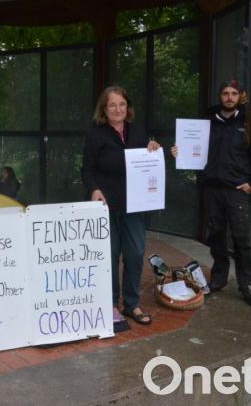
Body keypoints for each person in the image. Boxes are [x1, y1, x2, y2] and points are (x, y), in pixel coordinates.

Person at [171, 79, 251, 307]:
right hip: (212, 188)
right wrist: (180, 152)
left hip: (237, 191)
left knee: (241, 239)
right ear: (220, 96)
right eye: (225, 93)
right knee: (216, 237)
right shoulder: (207, 122)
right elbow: (193, 152)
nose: (229, 97)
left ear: (240, 96)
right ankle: (218, 279)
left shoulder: (249, 122)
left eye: (233, 93)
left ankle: (248, 286)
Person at [82, 85, 161, 326]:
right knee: (110, 255)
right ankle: (111, 305)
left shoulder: (138, 132)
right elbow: (87, 169)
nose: (118, 109)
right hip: (106, 205)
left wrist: (153, 148)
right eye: (112, 105)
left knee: (135, 253)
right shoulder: (96, 133)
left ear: (128, 107)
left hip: (135, 205)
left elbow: (150, 160)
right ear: (104, 109)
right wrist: (94, 189)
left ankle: (131, 304)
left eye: (122, 104)